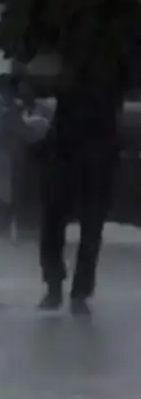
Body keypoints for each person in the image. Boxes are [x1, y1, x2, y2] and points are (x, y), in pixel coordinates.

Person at [36, 49, 130, 312]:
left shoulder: (115, 58)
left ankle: (68, 287)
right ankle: (66, 286)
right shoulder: (87, 52)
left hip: (87, 152)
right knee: (68, 224)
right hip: (76, 151)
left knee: (76, 224)